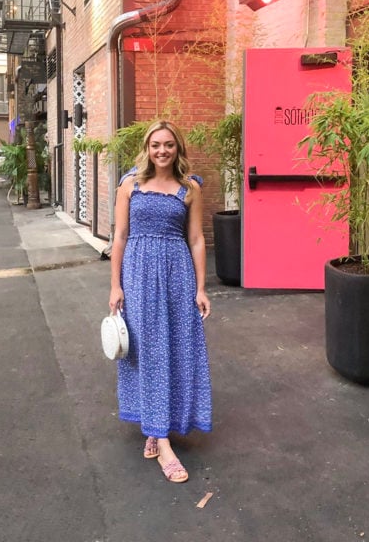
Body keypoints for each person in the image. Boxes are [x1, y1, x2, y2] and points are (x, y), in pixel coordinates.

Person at [109, 119, 212, 484]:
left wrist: (201, 288)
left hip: (177, 274)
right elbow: (120, 236)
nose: (162, 151)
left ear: (177, 148)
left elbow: (197, 239)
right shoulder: (130, 184)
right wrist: (115, 286)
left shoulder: (189, 188)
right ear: (147, 148)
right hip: (137, 275)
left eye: (168, 145)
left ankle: (157, 428)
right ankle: (162, 439)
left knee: (175, 348)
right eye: (156, 145)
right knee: (146, 351)